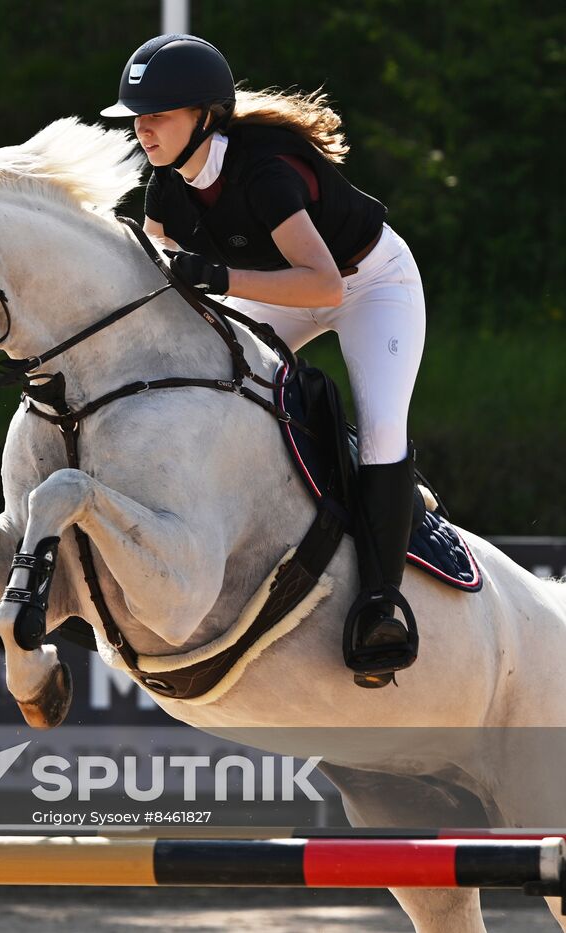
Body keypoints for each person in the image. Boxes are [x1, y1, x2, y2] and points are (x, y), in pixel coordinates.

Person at [100, 34, 425, 688]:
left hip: (369, 285)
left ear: (206, 117)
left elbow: (325, 286)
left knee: (383, 428)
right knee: (215, 382)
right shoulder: (165, 190)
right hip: (282, 285)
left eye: (158, 114)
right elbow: (163, 291)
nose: (143, 128)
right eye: (137, 115)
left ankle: (382, 605)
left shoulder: (266, 172)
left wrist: (217, 275)